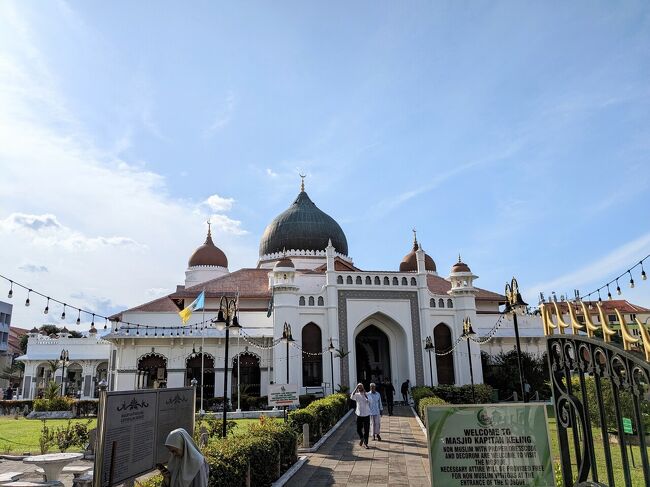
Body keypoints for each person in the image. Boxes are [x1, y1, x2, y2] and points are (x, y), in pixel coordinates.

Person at [350, 382, 371, 448]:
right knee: (358, 429)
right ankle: (362, 438)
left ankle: (366, 443)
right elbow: (351, 397)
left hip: (366, 414)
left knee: (366, 430)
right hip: (359, 414)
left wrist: (365, 394)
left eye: (361, 387)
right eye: (358, 387)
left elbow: (370, 401)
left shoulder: (367, 394)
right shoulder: (357, 395)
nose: (360, 388)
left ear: (363, 388)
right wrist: (355, 388)